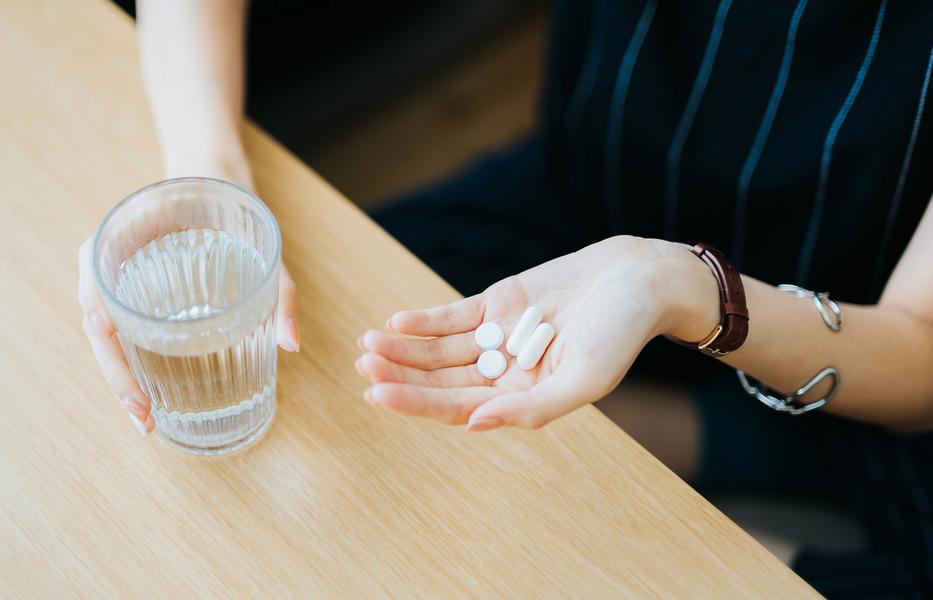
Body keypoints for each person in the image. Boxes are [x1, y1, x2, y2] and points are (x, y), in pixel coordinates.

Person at [77, 0, 933, 595]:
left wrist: (683, 288)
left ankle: (764, 452)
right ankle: (713, 438)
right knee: (347, 347)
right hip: (589, 203)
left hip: (864, 349)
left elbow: (915, 344)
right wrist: (209, 177)